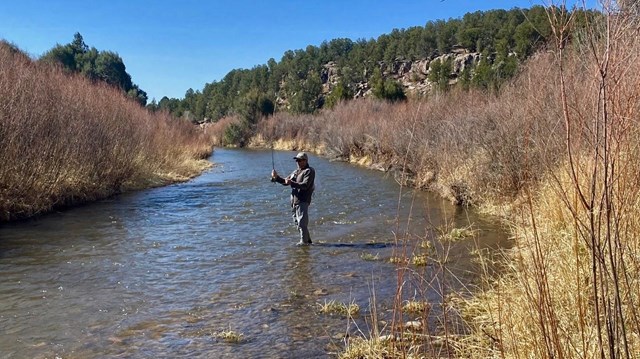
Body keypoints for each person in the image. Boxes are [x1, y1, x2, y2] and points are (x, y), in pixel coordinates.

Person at [271, 152, 316, 245]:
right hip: (294, 201)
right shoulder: (296, 172)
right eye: (297, 160)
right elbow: (285, 182)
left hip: (303, 200)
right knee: (297, 223)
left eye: (300, 160)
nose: (298, 162)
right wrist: (276, 177)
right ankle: (308, 242)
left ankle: (303, 243)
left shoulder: (309, 171)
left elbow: (305, 185)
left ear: (305, 161)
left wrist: (292, 183)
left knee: (302, 223)